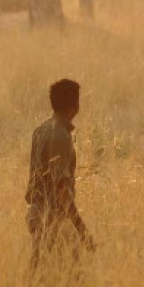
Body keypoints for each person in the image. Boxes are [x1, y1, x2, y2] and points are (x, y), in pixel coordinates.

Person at [25, 78, 94, 272]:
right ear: (75, 105)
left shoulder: (41, 130)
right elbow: (61, 189)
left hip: (36, 214)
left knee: (40, 275)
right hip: (53, 219)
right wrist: (81, 230)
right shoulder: (60, 136)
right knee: (71, 279)